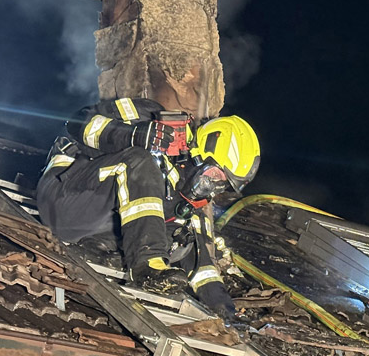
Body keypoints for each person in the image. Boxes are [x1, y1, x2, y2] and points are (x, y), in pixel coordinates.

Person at [36, 98, 260, 319]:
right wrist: (132, 135)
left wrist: (225, 310)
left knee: (182, 234)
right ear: (202, 150)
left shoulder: (185, 188)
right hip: (63, 196)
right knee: (139, 161)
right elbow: (77, 122)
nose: (214, 186)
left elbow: (204, 266)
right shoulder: (151, 115)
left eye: (223, 184)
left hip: (89, 229)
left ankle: (108, 251)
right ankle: (146, 265)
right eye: (215, 175)